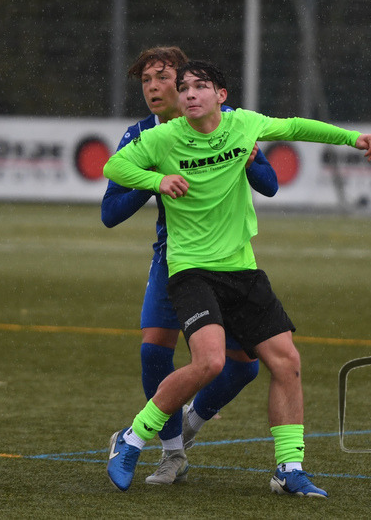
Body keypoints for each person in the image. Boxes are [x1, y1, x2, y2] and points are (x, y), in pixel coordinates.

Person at [104, 61, 371, 496]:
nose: (189, 94)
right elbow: (114, 168)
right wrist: (157, 179)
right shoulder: (161, 138)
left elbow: (295, 127)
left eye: (201, 87)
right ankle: (132, 439)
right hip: (191, 270)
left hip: (242, 269)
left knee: (286, 362)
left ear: (221, 96)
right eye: (185, 88)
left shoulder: (244, 125)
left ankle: (288, 469)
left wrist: (352, 138)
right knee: (210, 362)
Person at [101, 46, 278, 485]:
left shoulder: (227, 120)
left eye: (162, 77)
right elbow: (110, 212)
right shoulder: (141, 136)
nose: (153, 88)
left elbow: (270, 186)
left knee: (244, 365)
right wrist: (155, 177)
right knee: (154, 349)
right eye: (145, 81)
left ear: (186, 84)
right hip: (173, 258)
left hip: (226, 259)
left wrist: (253, 158)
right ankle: (172, 453)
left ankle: (192, 421)